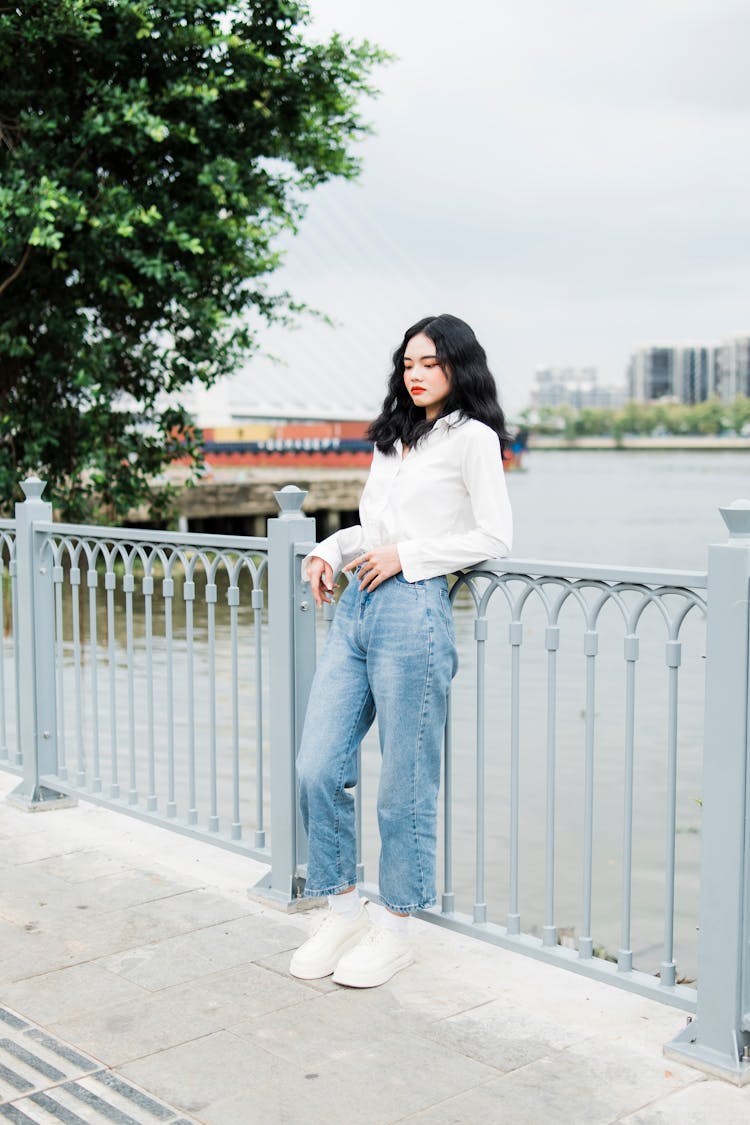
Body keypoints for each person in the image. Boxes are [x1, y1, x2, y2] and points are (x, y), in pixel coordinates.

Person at [289, 314, 513, 988]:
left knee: (403, 784)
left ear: (459, 367)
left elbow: (494, 535)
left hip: (414, 609)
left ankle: (396, 928)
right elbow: (374, 524)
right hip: (356, 604)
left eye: (431, 362)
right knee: (317, 766)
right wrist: (331, 549)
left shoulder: (473, 439)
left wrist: (407, 556)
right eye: (409, 362)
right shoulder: (393, 439)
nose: (416, 373)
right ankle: (341, 908)